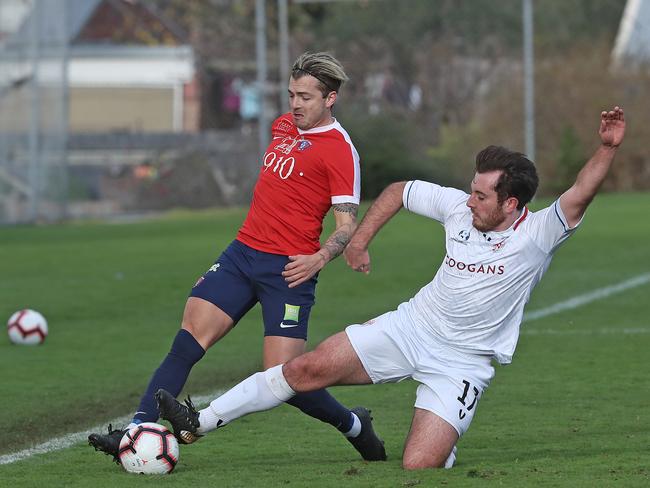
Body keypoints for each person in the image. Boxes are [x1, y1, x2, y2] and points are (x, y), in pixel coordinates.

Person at [155, 106, 625, 469]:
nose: (469, 200)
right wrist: (359, 241)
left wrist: (606, 148)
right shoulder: (460, 207)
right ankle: (200, 422)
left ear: (512, 204)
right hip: (411, 327)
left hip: (463, 362)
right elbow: (400, 189)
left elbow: (580, 193)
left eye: (482, 195)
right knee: (305, 369)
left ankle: (444, 443)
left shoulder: (538, 234)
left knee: (418, 464)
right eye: (471, 189)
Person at [88, 51, 386, 464]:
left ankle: (354, 425)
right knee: (188, 339)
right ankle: (137, 431)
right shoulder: (282, 126)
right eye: (291, 95)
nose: (295, 104)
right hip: (242, 254)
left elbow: (346, 226)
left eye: (305, 97)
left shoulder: (340, 150)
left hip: (289, 271)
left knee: (284, 378)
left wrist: (319, 259)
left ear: (330, 98)